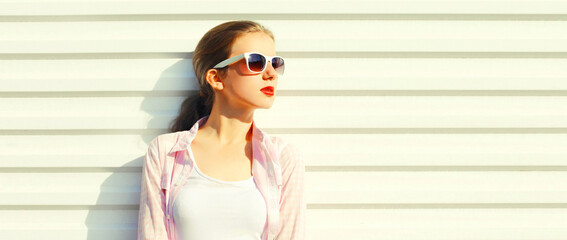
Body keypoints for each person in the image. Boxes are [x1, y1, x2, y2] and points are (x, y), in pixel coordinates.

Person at [137, 20, 306, 240]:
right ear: (216, 78)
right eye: (255, 62)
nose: (271, 74)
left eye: (275, 63)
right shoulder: (166, 152)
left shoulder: (283, 156)